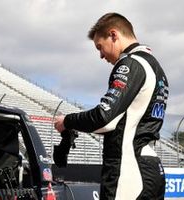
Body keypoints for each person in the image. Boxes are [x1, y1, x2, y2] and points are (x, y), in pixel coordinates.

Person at [54, 13, 168, 200]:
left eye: (100, 47)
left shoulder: (130, 64)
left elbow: (105, 118)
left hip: (128, 170)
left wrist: (67, 121)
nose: (101, 55)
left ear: (113, 35)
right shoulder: (156, 67)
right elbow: (123, 120)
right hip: (150, 167)